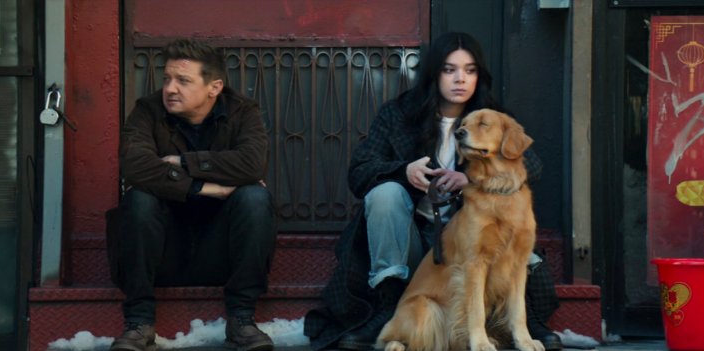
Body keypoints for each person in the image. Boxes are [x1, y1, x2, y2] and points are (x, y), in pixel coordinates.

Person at [303, 32, 562, 351]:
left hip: (469, 235)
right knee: (384, 195)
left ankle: (521, 320)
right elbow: (359, 171)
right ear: (433, 73)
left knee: (513, 230)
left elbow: (531, 165)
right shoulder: (399, 114)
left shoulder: (488, 116)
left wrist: (471, 180)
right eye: (449, 69)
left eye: (470, 70)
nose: (460, 79)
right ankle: (388, 309)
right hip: (411, 237)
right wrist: (404, 171)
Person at [108, 39, 277, 351]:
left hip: (221, 245)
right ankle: (139, 322)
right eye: (167, 79)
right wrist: (201, 187)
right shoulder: (147, 110)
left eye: (183, 81)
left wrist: (185, 162)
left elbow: (252, 164)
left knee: (254, 198)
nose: (170, 89)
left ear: (213, 87)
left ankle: (241, 319)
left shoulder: (243, 112)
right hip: (164, 246)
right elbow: (134, 166)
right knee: (138, 200)